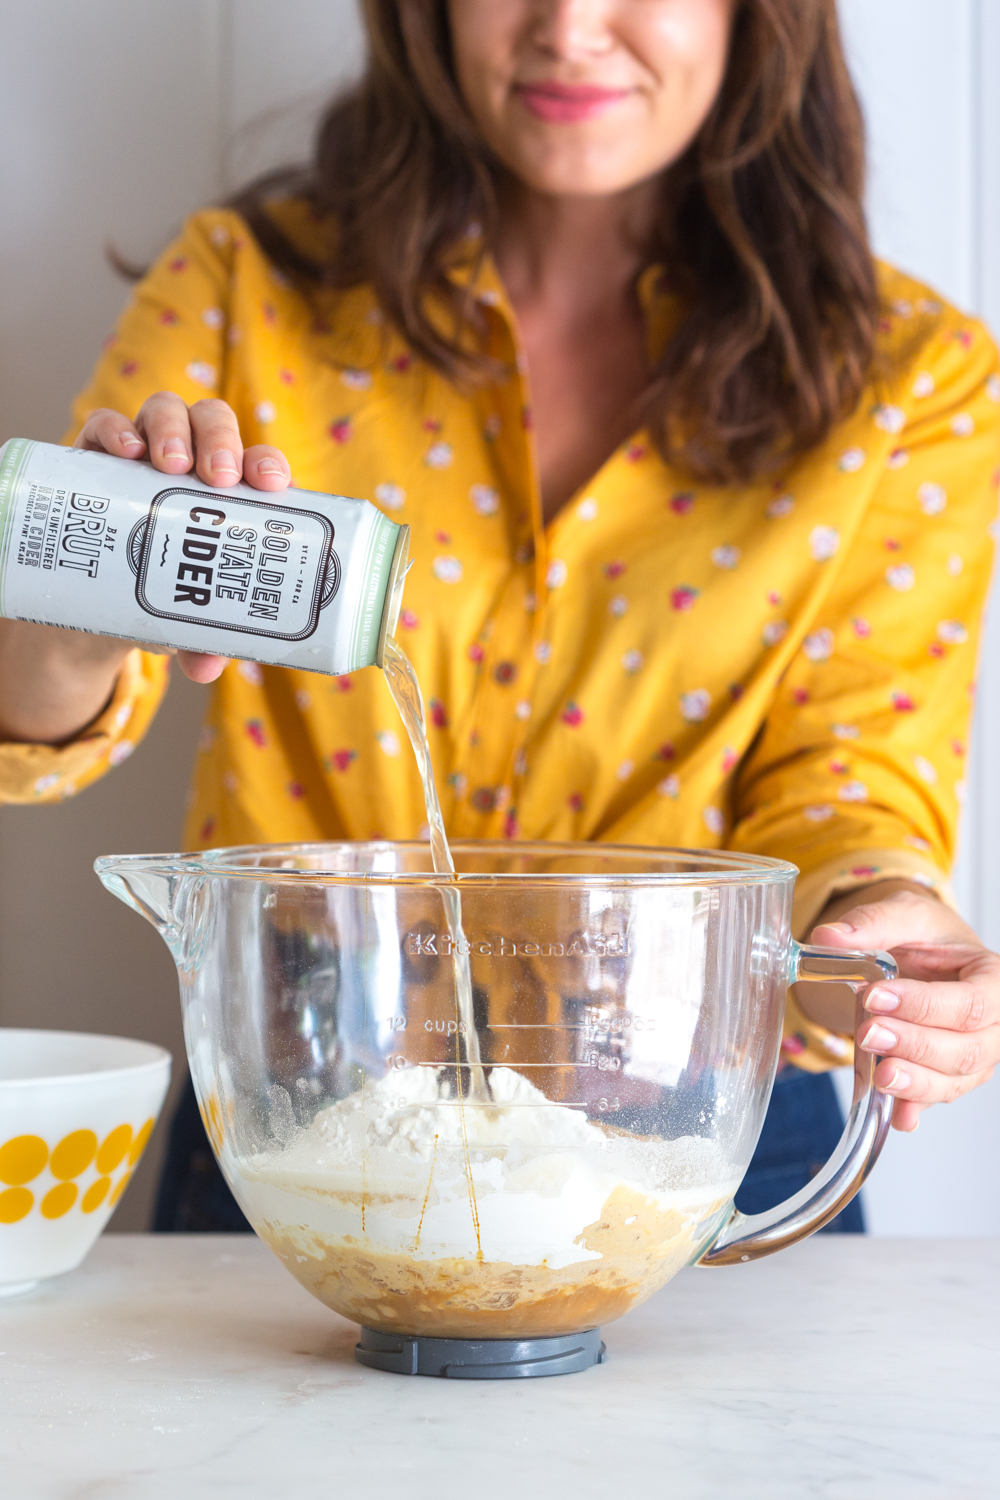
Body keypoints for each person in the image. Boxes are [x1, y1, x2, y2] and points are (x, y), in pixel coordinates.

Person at [2, 0, 998, 1233]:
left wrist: (881, 947)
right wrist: (93, 585)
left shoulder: (911, 380)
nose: (572, 26)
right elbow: (32, 721)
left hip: (708, 1140)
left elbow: (844, 784)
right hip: (305, 1118)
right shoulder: (243, 290)